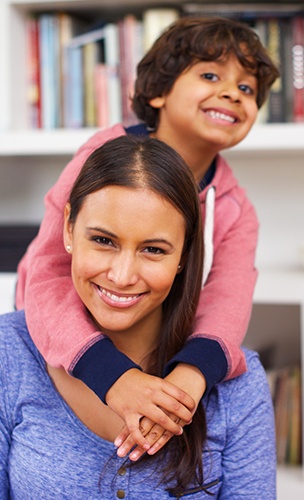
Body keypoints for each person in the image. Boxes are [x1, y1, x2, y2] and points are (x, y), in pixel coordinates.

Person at [15, 16, 280, 459]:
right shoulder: (101, 161)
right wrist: (114, 378)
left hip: (156, 346)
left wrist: (187, 382)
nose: (233, 93)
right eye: (211, 75)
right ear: (158, 92)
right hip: (60, 344)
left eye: (248, 89)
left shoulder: (236, 210)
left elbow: (227, 303)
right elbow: (46, 276)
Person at [1, 136, 276, 498]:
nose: (122, 275)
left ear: (183, 255)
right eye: (103, 241)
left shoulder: (237, 387)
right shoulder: (10, 353)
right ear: (68, 228)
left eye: (153, 249)